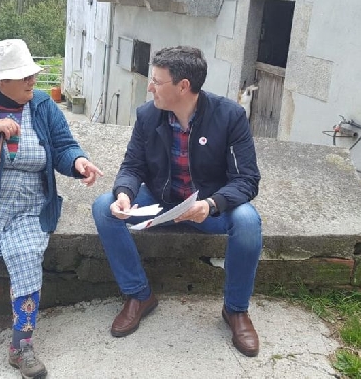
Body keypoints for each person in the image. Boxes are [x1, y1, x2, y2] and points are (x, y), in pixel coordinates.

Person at [0, 38, 103, 379]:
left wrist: (79, 162)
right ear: (1, 81)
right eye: (23, 76)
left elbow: (63, 144)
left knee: (26, 255)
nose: (32, 81)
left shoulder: (41, 105)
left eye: (31, 74)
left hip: (29, 206)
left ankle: (21, 345)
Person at [91, 46, 262, 357]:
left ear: (183, 86)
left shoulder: (230, 116)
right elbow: (133, 166)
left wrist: (211, 205)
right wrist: (125, 194)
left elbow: (247, 179)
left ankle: (236, 310)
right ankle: (139, 295)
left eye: (157, 80)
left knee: (248, 221)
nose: (150, 86)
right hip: (163, 202)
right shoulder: (148, 115)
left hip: (210, 208)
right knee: (105, 208)